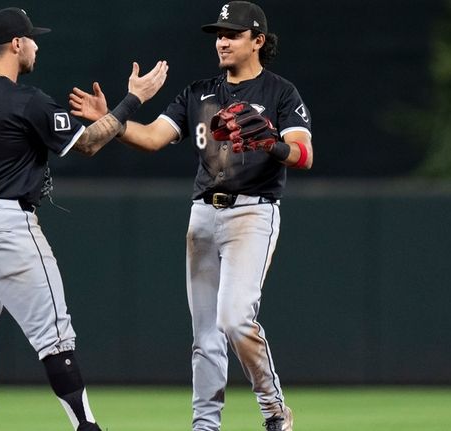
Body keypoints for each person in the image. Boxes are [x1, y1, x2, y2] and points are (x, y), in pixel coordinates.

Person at [69, 2, 312, 430]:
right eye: (219, 33)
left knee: (235, 319)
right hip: (202, 216)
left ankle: (274, 410)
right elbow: (151, 138)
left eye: (233, 33)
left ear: (258, 41)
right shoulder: (199, 92)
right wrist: (113, 120)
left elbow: (303, 154)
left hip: (252, 213)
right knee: (205, 338)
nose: (221, 40)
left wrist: (271, 145)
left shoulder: (280, 93)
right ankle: (205, 425)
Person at [0, 6, 168, 431]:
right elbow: (89, 143)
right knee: (55, 335)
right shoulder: (27, 100)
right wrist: (133, 101)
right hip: (6, 225)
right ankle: (87, 427)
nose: (36, 44)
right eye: (32, 38)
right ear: (16, 44)